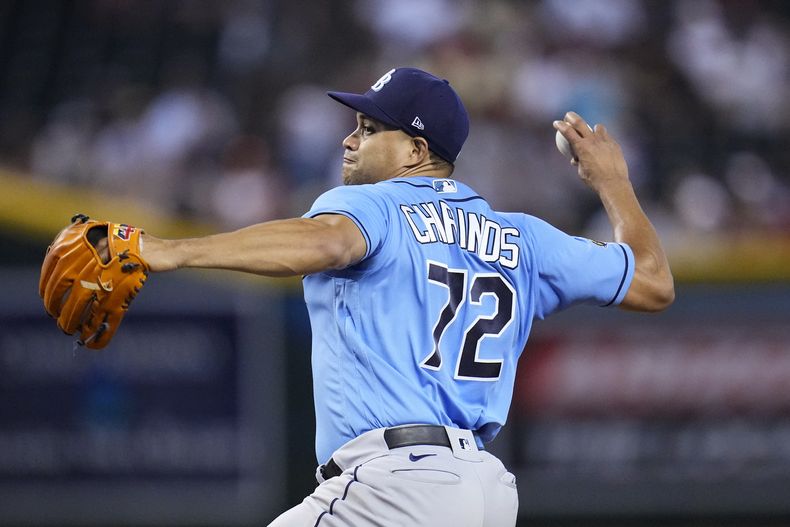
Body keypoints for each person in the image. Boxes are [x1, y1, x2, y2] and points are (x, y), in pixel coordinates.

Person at [139, 67, 674, 526]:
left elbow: (326, 242)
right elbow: (653, 283)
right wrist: (613, 182)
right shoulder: (526, 238)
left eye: (370, 130)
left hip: (395, 486)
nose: (350, 141)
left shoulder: (374, 205)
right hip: (485, 494)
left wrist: (172, 251)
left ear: (417, 151)